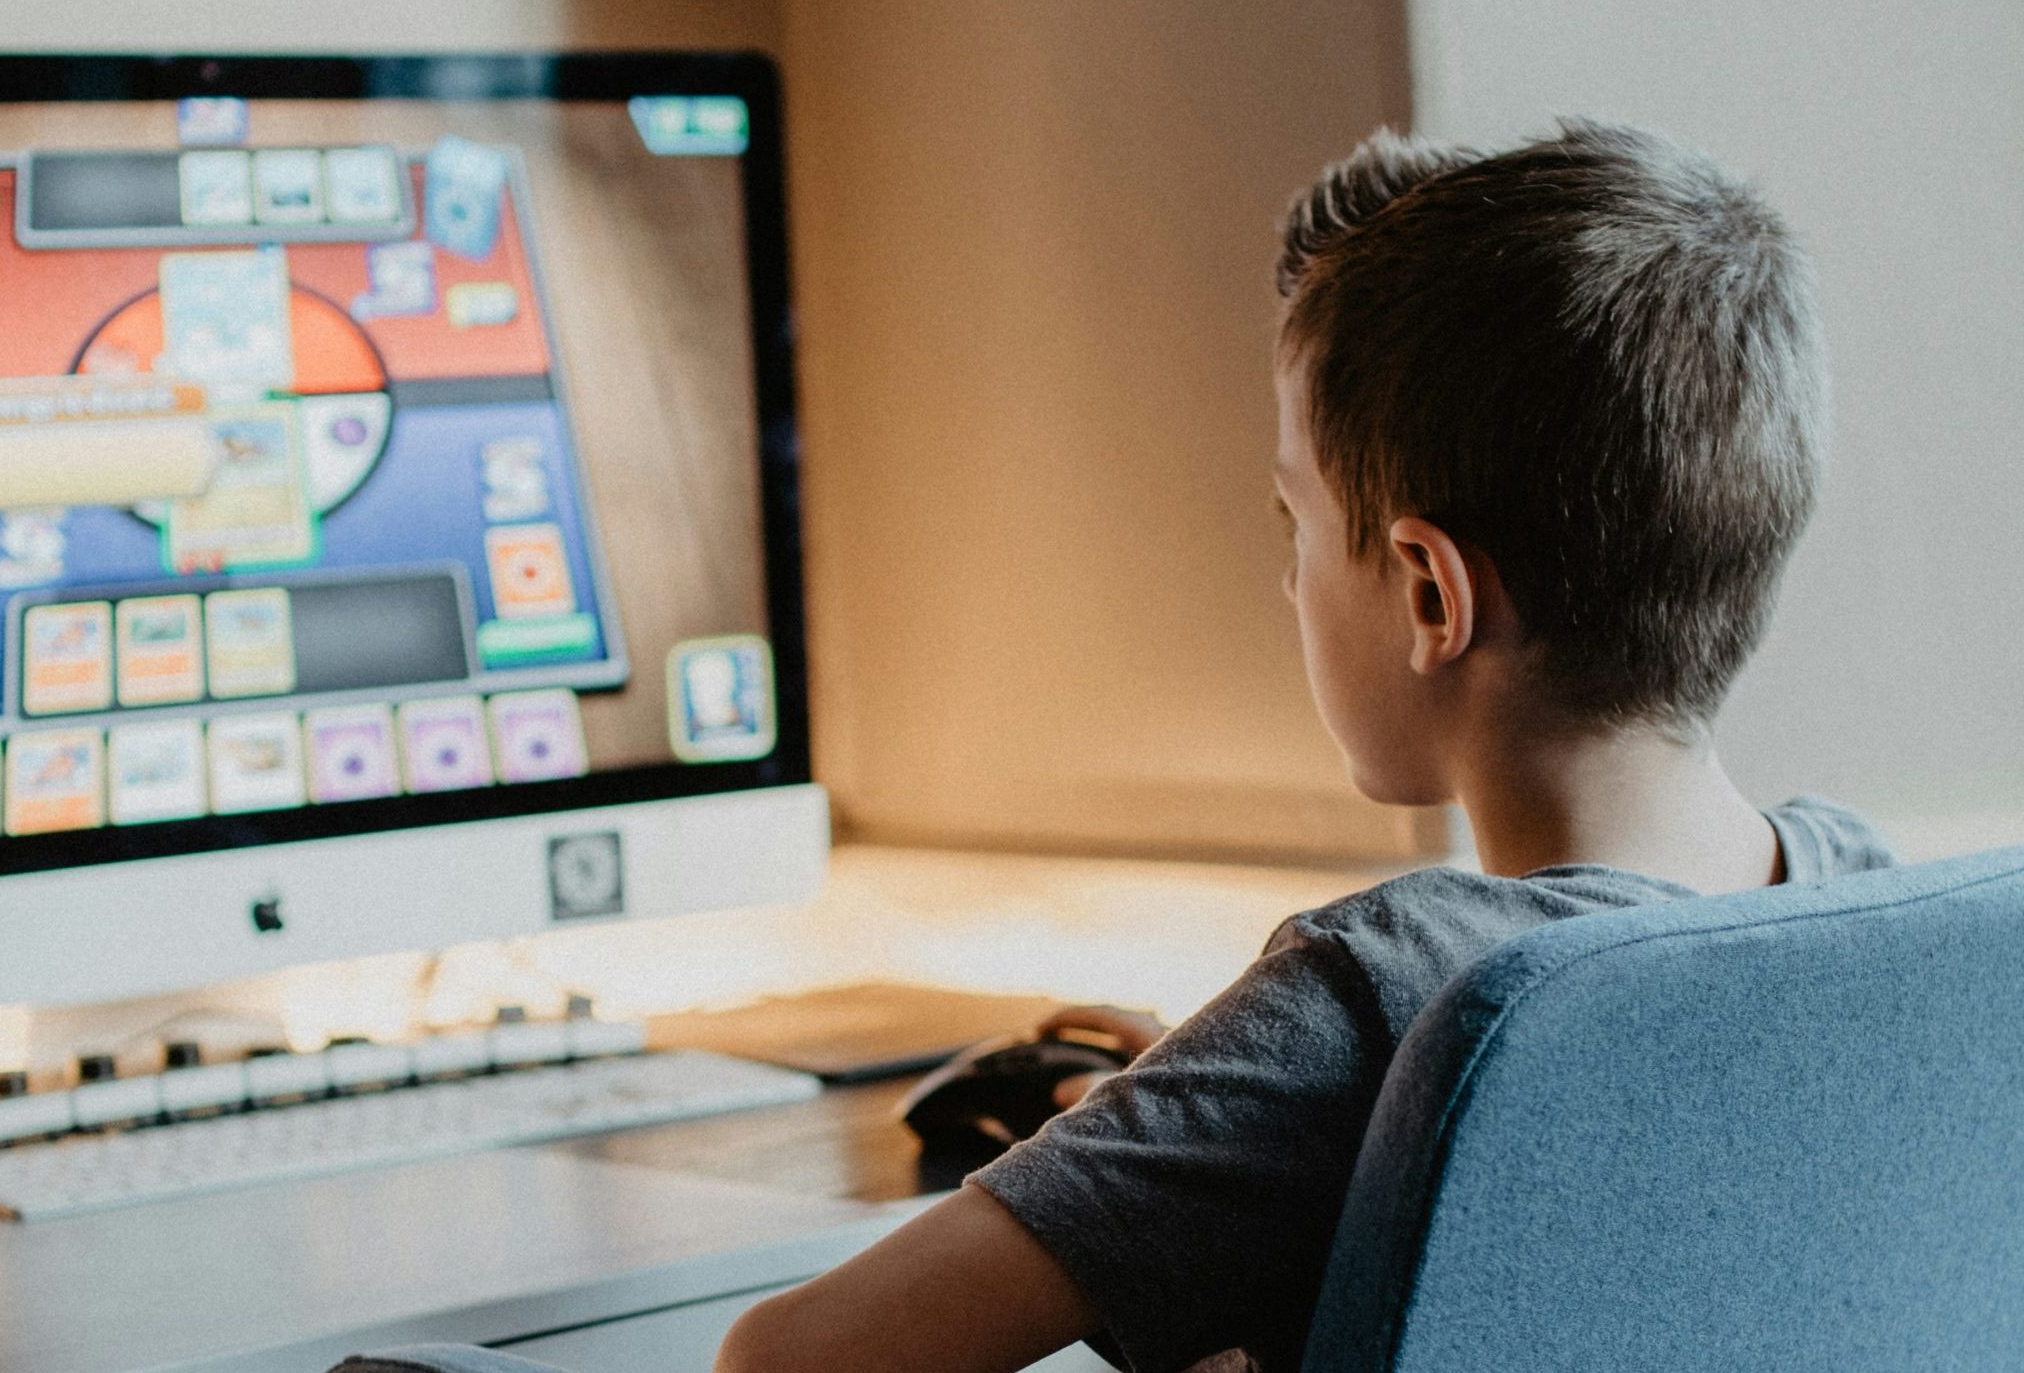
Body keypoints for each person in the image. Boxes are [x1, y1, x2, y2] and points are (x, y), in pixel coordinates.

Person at [713, 119, 1893, 1373]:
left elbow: (785, 1362)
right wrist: (1209, 1097)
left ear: (1429, 593)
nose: (1287, 580)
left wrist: (1239, 1081)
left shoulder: (1373, 995)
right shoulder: (1871, 900)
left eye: (1299, 519)